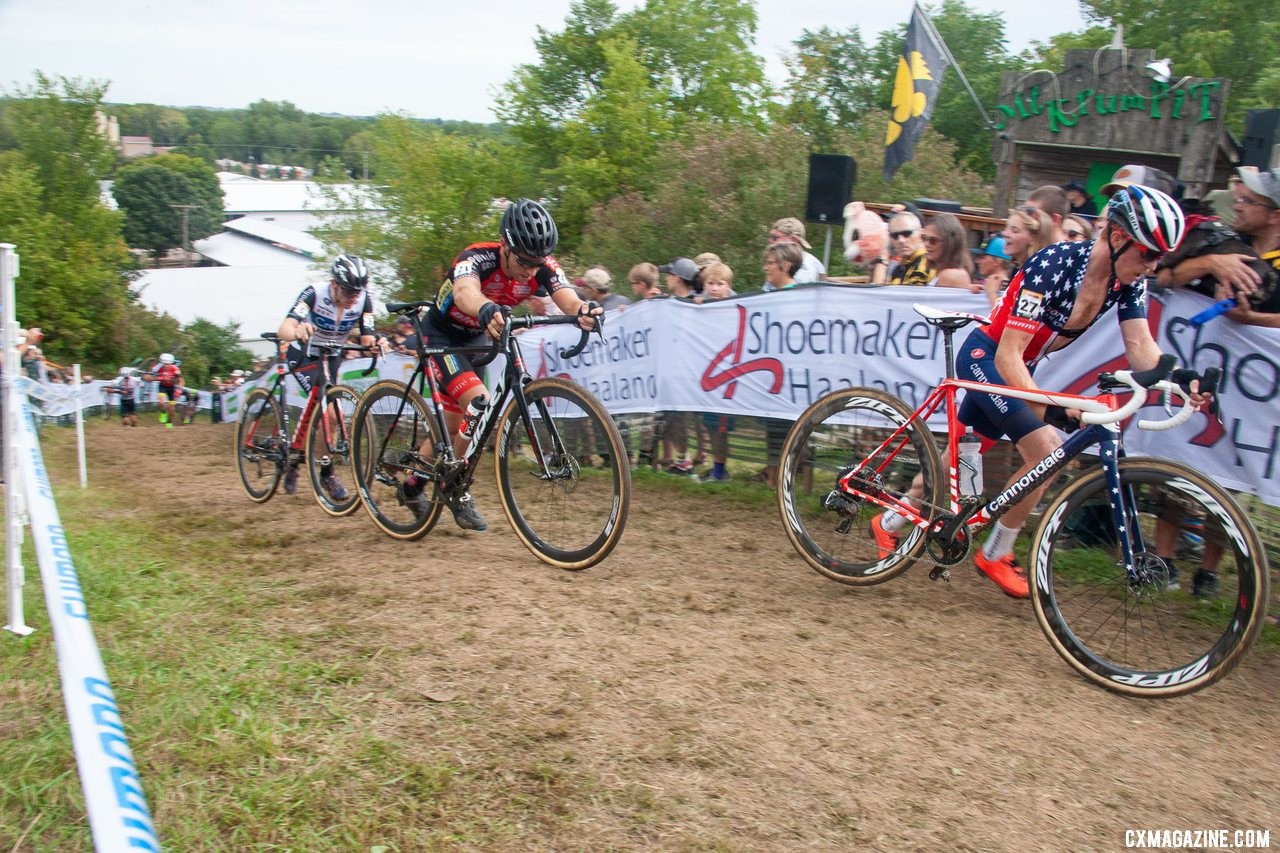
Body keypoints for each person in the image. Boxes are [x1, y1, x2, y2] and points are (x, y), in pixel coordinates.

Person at [876, 186, 1209, 599]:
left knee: (959, 459)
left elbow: (1141, 348)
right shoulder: (1056, 265)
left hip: (1015, 367)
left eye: (1160, 257)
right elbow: (1009, 356)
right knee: (1047, 451)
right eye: (1148, 253)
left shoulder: (1127, 282)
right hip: (989, 358)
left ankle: (889, 521)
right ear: (1120, 238)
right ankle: (996, 552)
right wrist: (1046, 407)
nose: (1153, 265)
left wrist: (1182, 378)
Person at [403, 198, 602, 530]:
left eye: (538, 263)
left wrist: (582, 310)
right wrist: (484, 309)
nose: (531, 271)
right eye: (524, 261)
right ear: (506, 245)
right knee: (479, 403)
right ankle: (453, 486)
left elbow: (565, 295)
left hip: (476, 336)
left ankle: (412, 485)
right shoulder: (475, 258)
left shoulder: (542, 265)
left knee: (453, 428)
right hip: (442, 336)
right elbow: (466, 292)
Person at [278, 253, 386, 499]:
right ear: (334, 284)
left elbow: (366, 337)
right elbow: (283, 329)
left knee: (328, 413)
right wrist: (298, 329)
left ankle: (299, 457)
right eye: (348, 291)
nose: (353, 298)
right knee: (330, 413)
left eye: (357, 292)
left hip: (331, 356)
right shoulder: (313, 293)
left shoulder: (363, 300)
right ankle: (326, 473)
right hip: (305, 354)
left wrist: (377, 342)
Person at [1157, 166, 1279, 327]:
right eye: (1240, 199)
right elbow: (1161, 279)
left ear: (1275, 216)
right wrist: (1210, 263)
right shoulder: (1224, 240)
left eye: (1248, 201)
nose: (1237, 207)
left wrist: (1250, 318)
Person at [757, 242, 804, 488]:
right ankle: (773, 483)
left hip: (792, 377)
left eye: (770, 263)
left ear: (786, 266)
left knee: (789, 432)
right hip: (770, 375)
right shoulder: (766, 296)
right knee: (772, 430)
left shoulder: (800, 297)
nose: (766, 268)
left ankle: (787, 484)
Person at [698, 261, 736, 482]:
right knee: (711, 426)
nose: (714, 288)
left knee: (720, 428)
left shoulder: (736, 305)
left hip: (728, 380)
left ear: (728, 285)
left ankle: (720, 472)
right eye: (710, 283)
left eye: (719, 284)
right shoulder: (703, 306)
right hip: (708, 378)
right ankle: (716, 468)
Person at [919, 213, 977, 292]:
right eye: (924, 238)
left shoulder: (950, 275)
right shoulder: (947, 272)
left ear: (949, 243)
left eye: (933, 240)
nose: (926, 244)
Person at [767, 217, 825, 283]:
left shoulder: (805, 265)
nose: (769, 241)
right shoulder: (784, 262)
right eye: (769, 237)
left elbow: (798, 292)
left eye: (775, 238)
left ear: (794, 240)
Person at [885, 211, 932, 285]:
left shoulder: (925, 265)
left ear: (921, 234)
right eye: (895, 235)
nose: (901, 240)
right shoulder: (897, 269)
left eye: (907, 234)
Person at [971, 235, 1012, 307]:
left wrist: (992, 293)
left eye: (982, 258)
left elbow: (1004, 315)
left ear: (997, 261)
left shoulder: (1011, 289)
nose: (977, 261)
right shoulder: (988, 285)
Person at [146, 352, 182, 428]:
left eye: (168, 364)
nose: (166, 366)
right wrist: (157, 378)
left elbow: (181, 380)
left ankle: (169, 422)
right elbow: (147, 377)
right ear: (162, 363)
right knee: (161, 403)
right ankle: (163, 413)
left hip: (172, 387)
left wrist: (179, 389)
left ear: (171, 363)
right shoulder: (157, 368)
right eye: (165, 364)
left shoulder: (175, 369)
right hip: (162, 386)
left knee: (171, 408)